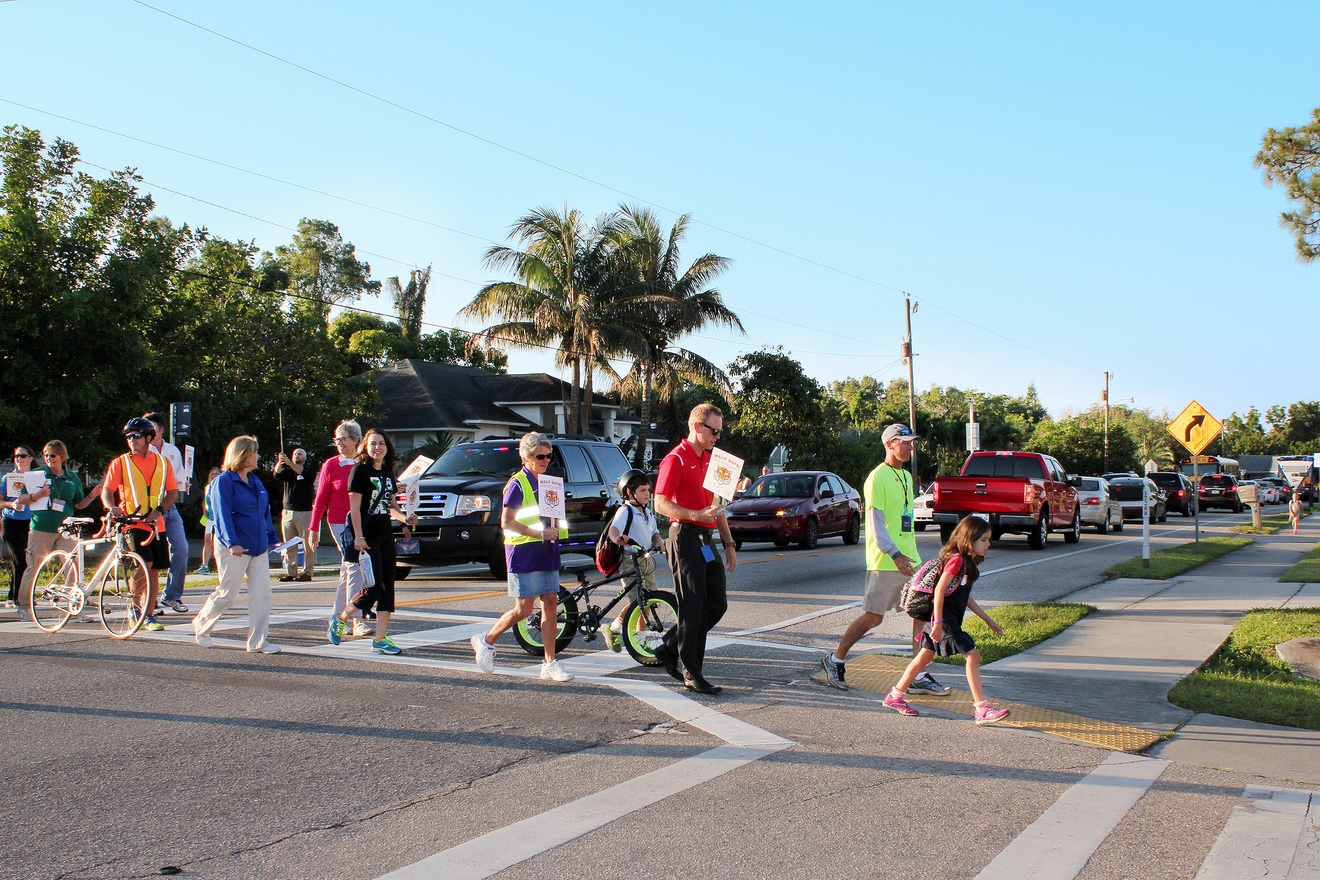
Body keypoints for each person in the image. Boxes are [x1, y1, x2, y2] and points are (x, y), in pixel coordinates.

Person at [822, 424, 950, 696]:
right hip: (886, 560)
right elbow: (875, 524)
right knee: (873, 618)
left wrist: (908, 555)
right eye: (904, 442)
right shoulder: (876, 478)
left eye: (911, 443)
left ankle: (919, 674)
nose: (910, 447)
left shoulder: (904, 475)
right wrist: (895, 554)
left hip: (910, 558)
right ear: (889, 444)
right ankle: (835, 660)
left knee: (921, 613)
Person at [883, 515, 1010, 725]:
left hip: (941, 619)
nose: (989, 544)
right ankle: (982, 709)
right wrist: (940, 623)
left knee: (923, 659)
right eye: (984, 540)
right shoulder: (957, 560)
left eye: (989, 539)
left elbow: (964, 596)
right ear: (970, 539)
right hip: (944, 619)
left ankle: (894, 697)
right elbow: (940, 590)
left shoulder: (965, 563)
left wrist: (988, 619)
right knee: (972, 655)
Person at [470, 432, 575, 682]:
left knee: (550, 601)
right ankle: (486, 640)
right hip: (523, 551)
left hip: (546, 549)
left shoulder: (549, 482)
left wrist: (556, 533)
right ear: (525, 457)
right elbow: (506, 522)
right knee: (524, 608)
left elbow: (553, 516)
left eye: (549, 455)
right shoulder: (517, 484)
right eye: (540, 455)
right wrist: (539, 532)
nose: (546, 459)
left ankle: (550, 662)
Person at [652, 403, 738, 695]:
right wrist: (694, 514)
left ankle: (669, 646)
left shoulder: (714, 462)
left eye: (720, 432)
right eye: (714, 430)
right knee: (692, 605)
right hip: (684, 535)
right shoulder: (675, 459)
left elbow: (719, 507)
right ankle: (692, 672)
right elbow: (660, 503)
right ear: (697, 427)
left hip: (706, 539)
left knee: (716, 604)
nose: (718, 436)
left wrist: (728, 543)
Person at [326, 429, 416, 655]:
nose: (378, 447)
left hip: (386, 535)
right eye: (373, 443)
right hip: (367, 537)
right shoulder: (359, 471)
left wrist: (405, 518)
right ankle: (342, 618)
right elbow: (354, 508)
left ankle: (380, 638)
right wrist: (358, 536)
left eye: (382, 443)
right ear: (365, 446)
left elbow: (390, 506)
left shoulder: (387, 472)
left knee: (388, 589)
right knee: (373, 587)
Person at [192, 436, 281, 653]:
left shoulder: (256, 482)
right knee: (227, 594)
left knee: (262, 595)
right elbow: (222, 515)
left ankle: (258, 642)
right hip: (234, 548)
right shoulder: (223, 482)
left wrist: (273, 538)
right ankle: (201, 625)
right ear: (243, 455)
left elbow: (264, 514)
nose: (258, 456)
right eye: (255, 452)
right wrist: (233, 543)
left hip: (258, 547)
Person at [101, 418, 178, 632]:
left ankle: (149, 613)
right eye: (128, 436)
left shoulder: (163, 462)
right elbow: (107, 490)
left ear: (148, 438)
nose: (131, 440)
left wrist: (159, 511)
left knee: (154, 570)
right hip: (132, 522)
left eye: (136, 436)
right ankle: (136, 610)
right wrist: (112, 507)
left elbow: (172, 492)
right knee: (144, 565)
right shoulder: (121, 462)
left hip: (156, 523)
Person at [17, 441, 100, 615]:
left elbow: (78, 504)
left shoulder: (72, 478)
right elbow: (21, 499)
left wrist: (92, 496)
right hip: (42, 527)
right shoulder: (37, 474)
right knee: (34, 566)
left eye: (52, 455)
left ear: (62, 456)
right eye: (46, 455)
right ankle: (24, 606)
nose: (49, 458)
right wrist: (38, 495)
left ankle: (71, 603)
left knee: (74, 564)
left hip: (66, 528)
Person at [308, 420, 366, 635]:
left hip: (361, 520)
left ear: (355, 440)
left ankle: (336, 617)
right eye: (337, 439)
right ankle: (357, 620)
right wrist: (313, 528)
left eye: (343, 438)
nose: (339, 443)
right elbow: (321, 498)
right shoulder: (331, 465)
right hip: (339, 522)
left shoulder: (364, 463)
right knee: (355, 567)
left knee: (347, 570)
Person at [601, 469, 665, 653]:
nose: (647, 494)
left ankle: (619, 630)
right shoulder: (625, 511)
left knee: (650, 599)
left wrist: (659, 542)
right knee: (638, 601)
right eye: (643, 490)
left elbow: (654, 533)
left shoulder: (646, 511)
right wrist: (617, 539)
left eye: (648, 490)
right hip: (630, 559)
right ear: (630, 492)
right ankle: (622, 632)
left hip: (645, 558)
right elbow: (614, 530)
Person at [144, 412, 190, 614]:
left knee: (181, 549)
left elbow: (178, 477)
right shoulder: (143, 450)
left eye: (151, 429)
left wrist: (183, 484)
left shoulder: (172, 451)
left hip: (170, 508)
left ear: (161, 430)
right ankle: (148, 599)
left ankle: (172, 596)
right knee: (149, 556)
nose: (146, 434)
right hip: (151, 510)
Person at [2, 446, 37, 615]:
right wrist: (11, 504)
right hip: (11, 522)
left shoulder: (37, 477)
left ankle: (13, 595)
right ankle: (18, 598)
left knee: (28, 560)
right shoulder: (8, 478)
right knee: (19, 559)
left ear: (30, 458)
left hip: (31, 523)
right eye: (16, 456)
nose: (18, 458)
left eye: (22, 455)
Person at [274, 448, 315, 582]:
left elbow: (303, 473)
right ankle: (290, 572)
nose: (297, 455)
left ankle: (307, 572)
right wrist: (280, 462)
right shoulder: (288, 472)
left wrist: (290, 463)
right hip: (288, 512)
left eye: (300, 453)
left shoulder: (308, 471)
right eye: (295, 454)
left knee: (307, 545)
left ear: (305, 457)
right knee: (289, 544)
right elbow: (277, 474)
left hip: (304, 512)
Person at [196, 467, 223, 574]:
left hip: (219, 519)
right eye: (213, 474)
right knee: (207, 541)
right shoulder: (207, 487)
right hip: (210, 518)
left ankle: (220, 565)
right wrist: (205, 515)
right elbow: (205, 502)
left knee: (219, 542)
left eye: (217, 474)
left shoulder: (222, 486)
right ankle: (205, 565)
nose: (215, 476)